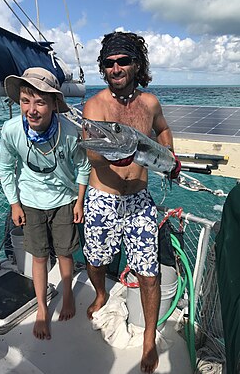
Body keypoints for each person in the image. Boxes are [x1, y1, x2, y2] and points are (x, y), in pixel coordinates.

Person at [82, 31, 180, 373]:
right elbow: (93, 153)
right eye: (109, 63)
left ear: (136, 65)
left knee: (148, 273)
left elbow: (163, 131)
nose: (116, 67)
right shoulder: (94, 105)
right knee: (95, 260)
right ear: (103, 68)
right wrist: (113, 160)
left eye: (123, 61)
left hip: (140, 201)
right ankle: (100, 293)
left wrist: (169, 155)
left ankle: (149, 339)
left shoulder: (150, 104)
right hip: (103, 200)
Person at [0, 67, 91, 340]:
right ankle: (41, 307)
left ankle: (69, 293)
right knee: (38, 256)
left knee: (64, 252)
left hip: (64, 198)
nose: (32, 109)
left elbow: (83, 166)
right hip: (30, 201)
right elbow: (4, 166)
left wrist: (79, 202)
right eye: (26, 101)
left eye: (40, 102)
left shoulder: (71, 132)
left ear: (53, 104)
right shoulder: (11, 129)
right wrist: (14, 204)